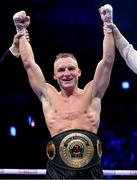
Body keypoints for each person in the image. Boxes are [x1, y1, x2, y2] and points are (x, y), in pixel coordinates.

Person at [12, 4, 115, 179]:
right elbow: (29, 63)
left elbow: (108, 60)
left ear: (78, 72)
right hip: (58, 171)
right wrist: (20, 29)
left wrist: (108, 24)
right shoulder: (48, 96)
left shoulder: (92, 93)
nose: (66, 73)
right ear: (54, 75)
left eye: (70, 68)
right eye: (61, 70)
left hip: (90, 170)